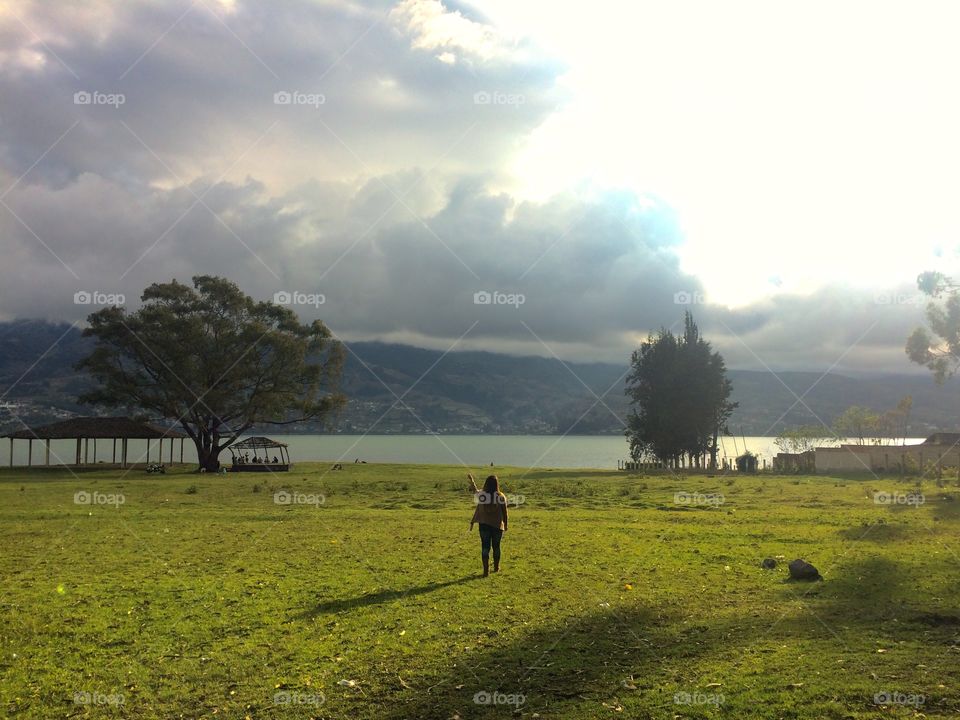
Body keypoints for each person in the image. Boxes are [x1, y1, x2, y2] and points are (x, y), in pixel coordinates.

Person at [468, 473, 508, 577]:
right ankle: (496, 567)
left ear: (486, 484)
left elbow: (475, 491)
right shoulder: (501, 497)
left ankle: (486, 571)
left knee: (485, 547)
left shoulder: (482, 495)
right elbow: (505, 512)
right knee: (496, 546)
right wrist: (506, 524)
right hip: (497, 526)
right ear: (496, 484)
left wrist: (472, 481)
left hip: (484, 525)